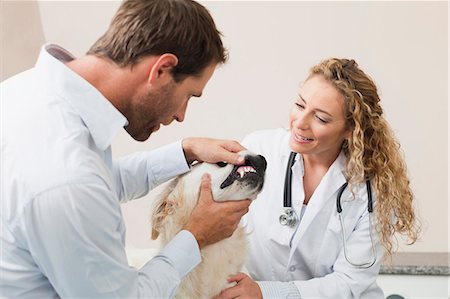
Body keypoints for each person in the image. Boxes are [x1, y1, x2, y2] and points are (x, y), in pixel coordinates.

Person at [1, 0, 252, 298]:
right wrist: (195, 237)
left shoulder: (23, 91)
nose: (181, 115)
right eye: (188, 95)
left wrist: (185, 150)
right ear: (162, 69)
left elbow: (99, 183)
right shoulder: (68, 179)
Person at [217, 58, 421, 298]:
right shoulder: (259, 151)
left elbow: (349, 283)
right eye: (300, 105)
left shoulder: (372, 188)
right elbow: (221, 226)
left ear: (350, 129)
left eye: (321, 119)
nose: (300, 123)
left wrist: (266, 292)